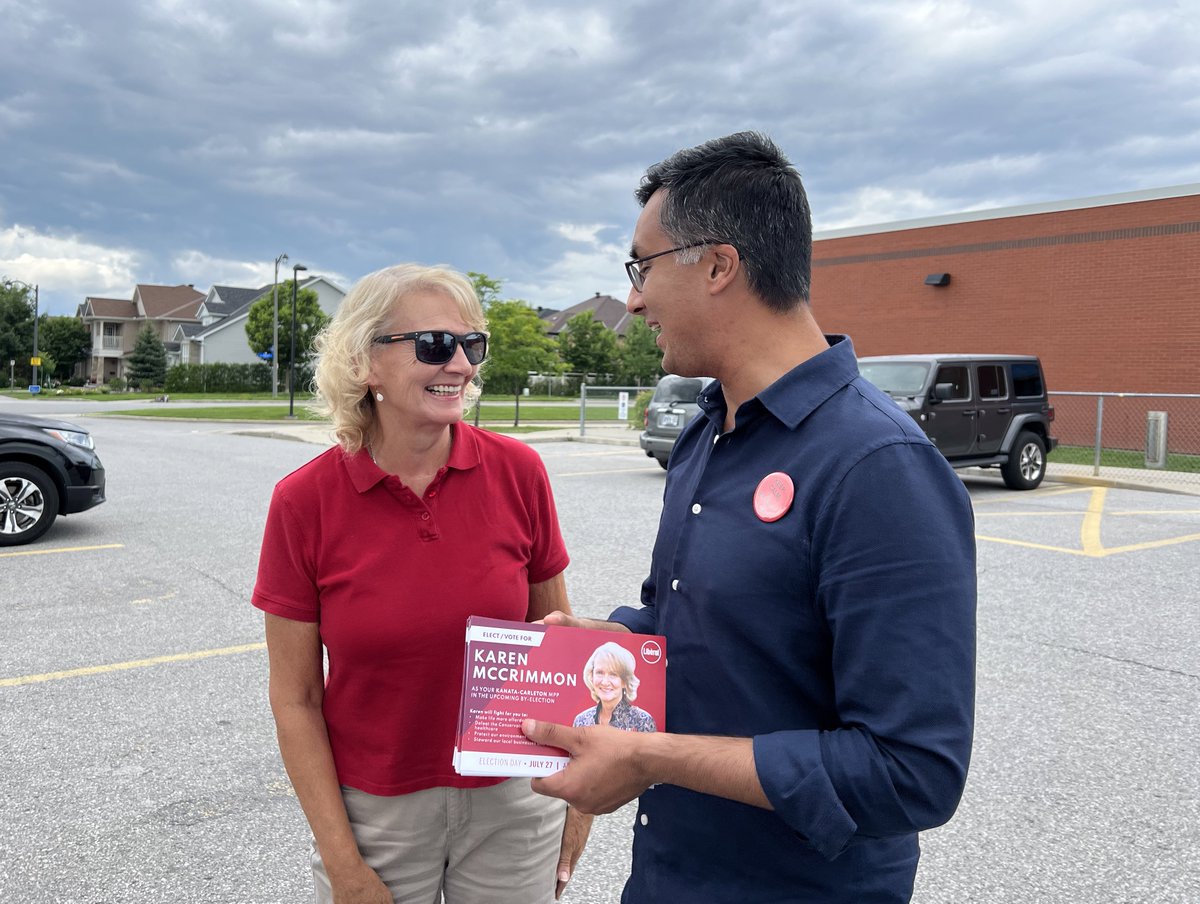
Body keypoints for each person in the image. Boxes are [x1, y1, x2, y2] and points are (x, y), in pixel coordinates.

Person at [522, 132, 977, 903]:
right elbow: (687, 624)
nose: (634, 300)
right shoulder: (707, 434)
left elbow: (912, 771)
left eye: (641, 267)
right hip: (668, 876)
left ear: (717, 265)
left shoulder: (877, 465)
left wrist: (652, 758)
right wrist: (607, 640)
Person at [252, 263, 589, 904]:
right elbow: (295, 699)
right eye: (435, 345)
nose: (460, 365)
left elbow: (559, 650)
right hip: (374, 814)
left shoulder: (519, 472)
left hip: (514, 803)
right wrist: (343, 863)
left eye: (471, 345)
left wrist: (577, 804)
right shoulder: (304, 501)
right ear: (364, 363)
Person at [571, 642, 657, 733]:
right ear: (591, 676)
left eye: (613, 674)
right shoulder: (581, 721)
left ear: (625, 681)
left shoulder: (642, 721)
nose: (605, 682)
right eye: (600, 672)